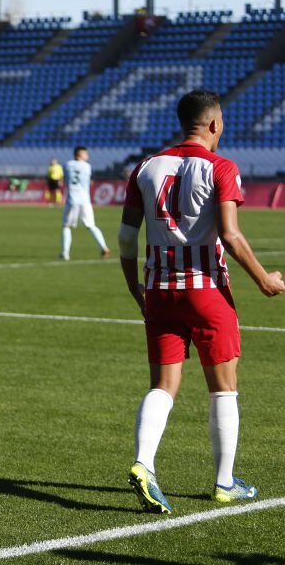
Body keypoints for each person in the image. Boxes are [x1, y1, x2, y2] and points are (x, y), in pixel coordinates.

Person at [118, 89, 283, 513]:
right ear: (213, 124)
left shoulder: (146, 167)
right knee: (223, 389)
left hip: (158, 289)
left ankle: (144, 464)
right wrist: (264, 279)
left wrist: (134, 286)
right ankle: (225, 483)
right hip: (206, 290)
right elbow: (230, 234)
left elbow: (125, 235)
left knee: (163, 385)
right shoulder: (221, 167)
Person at [60, 146, 110, 261]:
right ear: (79, 155)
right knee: (91, 225)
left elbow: (64, 177)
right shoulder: (87, 167)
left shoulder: (67, 165)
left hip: (72, 200)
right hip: (85, 201)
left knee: (66, 226)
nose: (87, 156)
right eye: (85, 154)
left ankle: (65, 253)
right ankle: (104, 247)